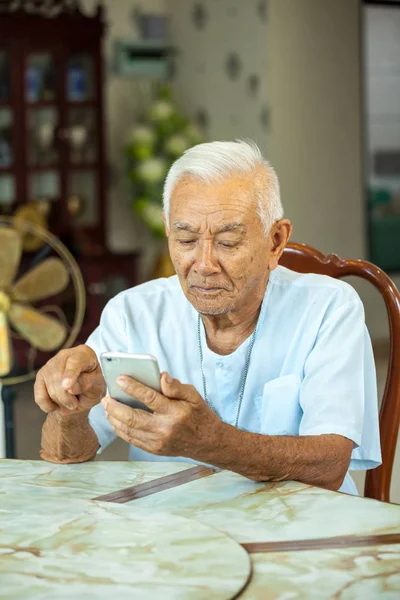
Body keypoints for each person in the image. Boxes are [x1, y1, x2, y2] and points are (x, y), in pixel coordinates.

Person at [35, 140, 381, 494]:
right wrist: (69, 406)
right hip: (173, 535)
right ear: (168, 230)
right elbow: (66, 457)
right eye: (185, 240)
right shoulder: (133, 313)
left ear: (275, 241)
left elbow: (330, 466)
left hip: (301, 534)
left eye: (228, 242)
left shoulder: (328, 308)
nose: (203, 264)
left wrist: (209, 441)